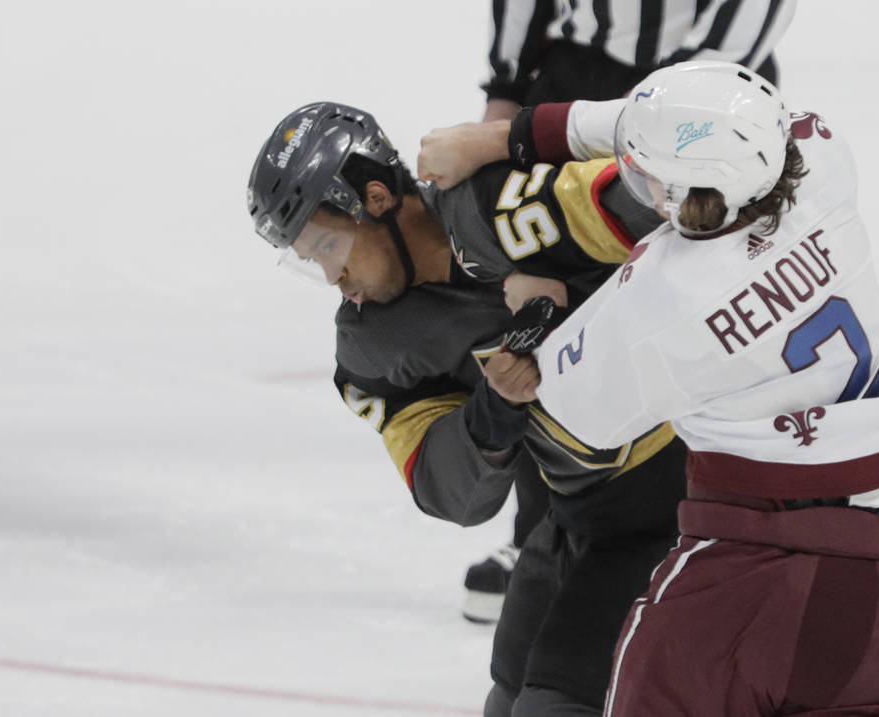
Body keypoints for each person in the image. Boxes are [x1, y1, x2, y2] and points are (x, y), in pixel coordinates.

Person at [419, 60, 879, 715]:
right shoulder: (820, 160)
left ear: (674, 192)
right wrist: (507, 138)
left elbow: (563, 411)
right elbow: (684, 128)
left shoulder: (659, 300)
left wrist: (534, 301)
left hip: (740, 589)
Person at [246, 101, 684, 716]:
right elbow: (454, 495)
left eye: (327, 244)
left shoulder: (501, 206)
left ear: (376, 198)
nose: (332, 278)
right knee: (507, 701)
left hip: (696, 498)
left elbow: (686, 182)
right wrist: (495, 409)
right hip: (582, 518)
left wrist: (519, 140)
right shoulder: (374, 345)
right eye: (310, 258)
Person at [468, 0, 800, 621]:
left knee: (697, 311)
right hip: (574, 82)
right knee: (553, 309)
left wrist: (684, 121)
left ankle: (701, 531)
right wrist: (506, 92)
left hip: (709, 103)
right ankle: (543, 540)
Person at [483, 0, 799, 122]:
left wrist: (659, 95)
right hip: (575, 73)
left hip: (707, 87)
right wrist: (506, 89)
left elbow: (746, 19)